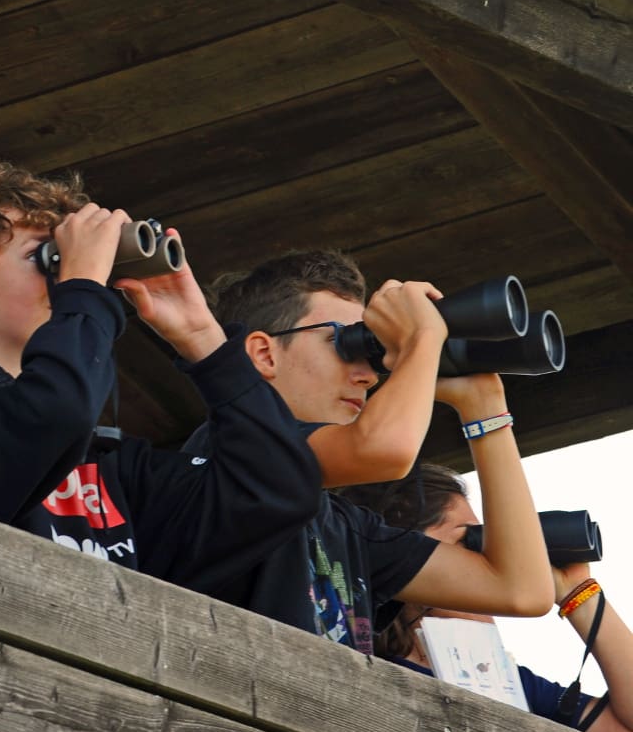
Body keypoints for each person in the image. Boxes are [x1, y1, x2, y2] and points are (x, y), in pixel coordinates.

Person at [0, 160, 322, 598]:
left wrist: (202, 338)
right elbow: (48, 415)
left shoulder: (110, 470)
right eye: (45, 257)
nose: (67, 276)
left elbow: (277, 490)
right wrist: (83, 285)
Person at [192, 250, 553, 654]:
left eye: (370, 352)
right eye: (341, 343)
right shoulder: (229, 451)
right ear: (264, 354)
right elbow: (385, 451)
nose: (367, 375)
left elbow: (521, 589)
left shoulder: (344, 527)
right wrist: (421, 338)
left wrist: (484, 404)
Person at [342, 464, 633, 732]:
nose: (491, 556)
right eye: (469, 539)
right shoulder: (355, 660)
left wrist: (577, 592)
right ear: (401, 550)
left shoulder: (500, 680)